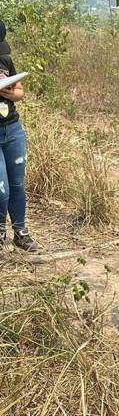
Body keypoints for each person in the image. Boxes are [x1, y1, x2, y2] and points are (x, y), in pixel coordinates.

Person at [0, 20, 38, 252]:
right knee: (1, 188)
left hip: (12, 129)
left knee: (16, 184)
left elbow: (20, 91)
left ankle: (20, 233)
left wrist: (9, 92)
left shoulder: (5, 58)